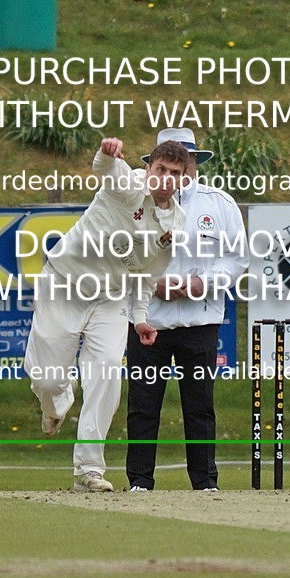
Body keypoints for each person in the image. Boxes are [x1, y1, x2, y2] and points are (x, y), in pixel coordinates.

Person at [24, 136, 189, 493]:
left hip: (111, 299)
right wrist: (106, 152)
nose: (166, 178)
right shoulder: (129, 185)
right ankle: (57, 399)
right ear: (149, 168)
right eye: (161, 169)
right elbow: (105, 168)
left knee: (107, 372)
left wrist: (142, 316)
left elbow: (149, 274)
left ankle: (89, 470)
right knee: (49, 381)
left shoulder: (176, 222)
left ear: (184, 179)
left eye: (175, 173)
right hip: (64, 283)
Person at [126, 127, 249, 491]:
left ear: (193, 164)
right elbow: (120, 255)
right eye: (162, 166)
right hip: (150, 320)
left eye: (184, 162)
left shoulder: (219, 204)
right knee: (143, 405)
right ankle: (139, 482)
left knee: (199, 405)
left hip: (200, 320)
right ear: (152, 166)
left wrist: (201, 284)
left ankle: (205, 482)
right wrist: (152, 283)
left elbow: (236, 259)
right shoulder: (134, 202)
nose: (172, 173)